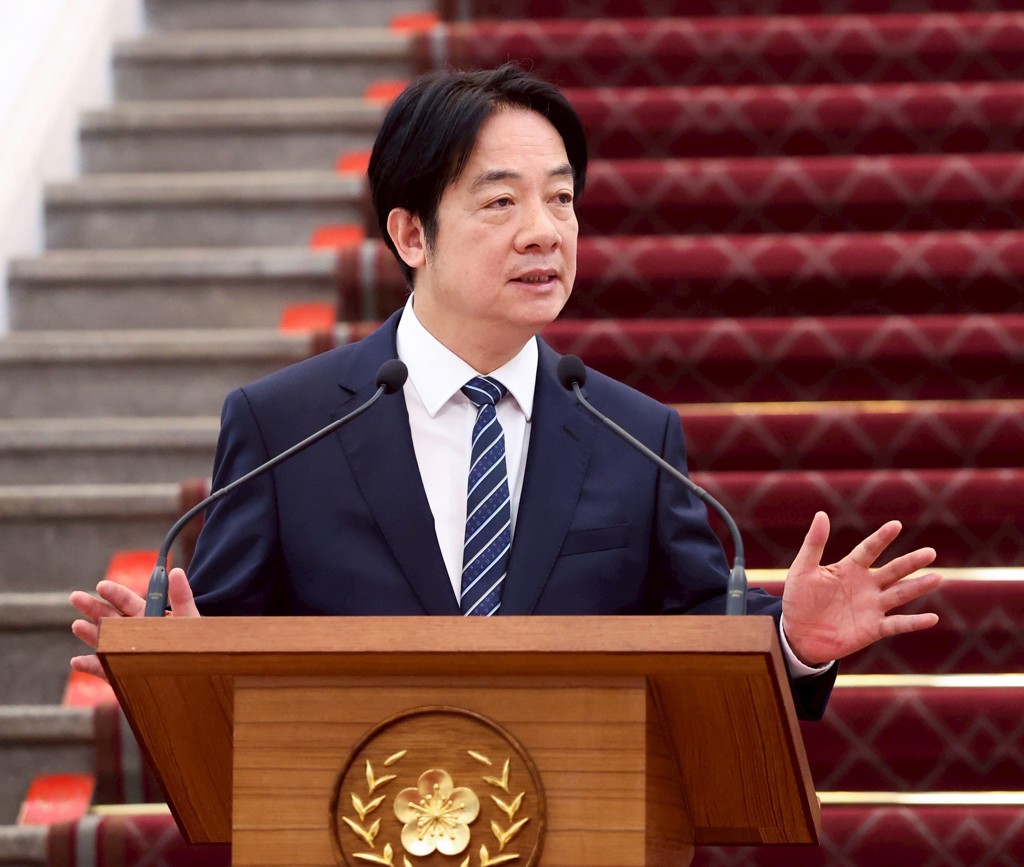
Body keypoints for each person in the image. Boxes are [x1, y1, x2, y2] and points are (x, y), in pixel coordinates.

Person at [70, 65, 941, 719]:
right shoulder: (284, 425)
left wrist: (789, 640)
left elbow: (700, 634)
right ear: (411, 234)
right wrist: (173, 669)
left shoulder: (632, 433)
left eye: (561, 200)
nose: (544, 232)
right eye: (501, 203)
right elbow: (222, 652)